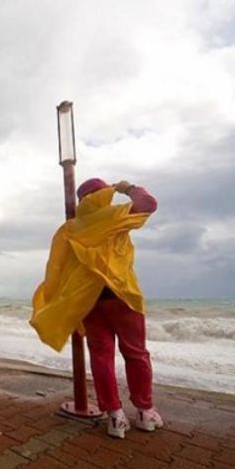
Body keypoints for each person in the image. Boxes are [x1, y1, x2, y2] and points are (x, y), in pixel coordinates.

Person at [30, 178, 160, 439]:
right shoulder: (112, 215)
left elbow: (57, 267)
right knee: (136, 354)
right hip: (122, 296)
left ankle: (115, 417)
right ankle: (145, 412)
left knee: (101, 357)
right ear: (103, 194)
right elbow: (149, 204)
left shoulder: (70, 228)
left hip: (88, 301)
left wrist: (59, 299)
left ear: (81, 201)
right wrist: (127, 188)